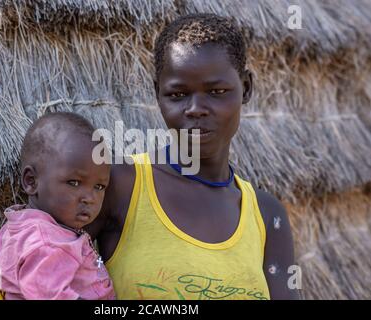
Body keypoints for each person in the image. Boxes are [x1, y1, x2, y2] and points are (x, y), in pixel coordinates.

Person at [86, 14, 299, 300]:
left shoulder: (266, 216)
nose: (196, 108)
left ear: (246, 88)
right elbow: (41, 273)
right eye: (178, 94)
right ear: (157, 94)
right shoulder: (121, 186)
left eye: (217, 91)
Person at [0, 112, 115, 300]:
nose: (90, 198)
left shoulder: (27, 228)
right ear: (31, 181)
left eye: (99, 187)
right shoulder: (44, 242)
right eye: (74, 182)